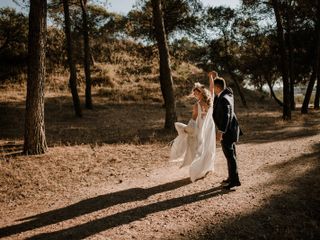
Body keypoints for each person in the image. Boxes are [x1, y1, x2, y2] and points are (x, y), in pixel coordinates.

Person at [169, 82, 216, 182]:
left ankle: (197, 170)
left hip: (201, 127)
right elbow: (212, 90)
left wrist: (186, 129)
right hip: (210, 127)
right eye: (194, 93)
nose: (194, 95)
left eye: (196, 93)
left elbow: (193, 120)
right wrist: (211, 78)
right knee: (208, 147)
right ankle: (207, 167)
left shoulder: (197, 105)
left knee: (199, 148)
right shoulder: (210, 102)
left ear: (201, 93)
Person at [209, 71, 242, 190]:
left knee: (230, 156)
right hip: (231, 130)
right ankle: (232, 177)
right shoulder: (228, 93)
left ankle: (234, 181)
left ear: (218, 88)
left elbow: (227, 115)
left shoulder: (224, 98)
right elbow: (223, 87)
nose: (213, 90)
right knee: (231, 155)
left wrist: (221, 131)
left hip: (227, 131)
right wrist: (215, 77)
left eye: (214, 87)